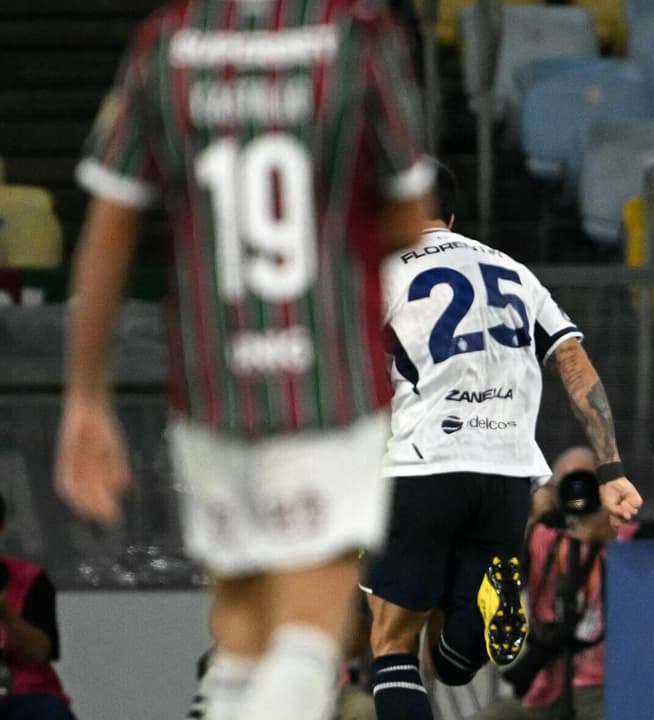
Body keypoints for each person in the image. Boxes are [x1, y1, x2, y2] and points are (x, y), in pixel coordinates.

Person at [55, 3, 436, 719]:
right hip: (328, 383)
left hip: (211, 383)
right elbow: (411, 220)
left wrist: (85, 396)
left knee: (240, 632)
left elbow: (109, 229)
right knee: (307, 634)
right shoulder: (355, 38)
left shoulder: (166, 45)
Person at [363, 165, 642, 720]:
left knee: (392, 645)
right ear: (453, 217)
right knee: (450, 665)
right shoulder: (513, 270)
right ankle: (476, 618)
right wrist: (610, 470)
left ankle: (477, 615)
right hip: (508, 475)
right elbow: (572, 359)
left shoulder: (382, 271)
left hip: (424, 464)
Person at [471, 447, 637, 720]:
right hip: (545, 684)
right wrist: (538, 508)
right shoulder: (542, 537)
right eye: (567, 483)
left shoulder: (628, 538)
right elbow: (501, 583)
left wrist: (609, 521)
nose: (578, 493)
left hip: (606, 683)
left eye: (587, 482)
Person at [0, 493, 74, 720]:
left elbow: (41, 654)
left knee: (50, 713)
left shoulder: (30, 579)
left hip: (23, 697)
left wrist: (7, 615)